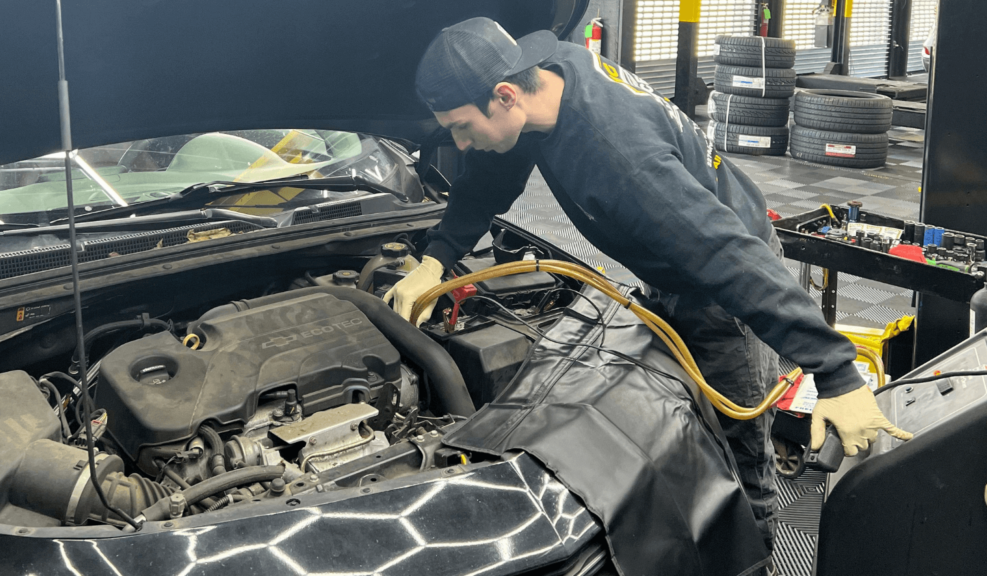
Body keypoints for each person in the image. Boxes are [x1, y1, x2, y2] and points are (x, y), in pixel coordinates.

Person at [385, 17, 912, 553]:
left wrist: (836, 373)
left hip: (721, 283)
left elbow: (726, 254)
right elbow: (491, 172)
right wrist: (437, 258)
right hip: (676, 258)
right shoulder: (549, 78)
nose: (459, 142)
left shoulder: (618, 156)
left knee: (738, 448)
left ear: (504, 95)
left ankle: (752, 552)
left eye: (460, 127)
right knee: (683, 420)